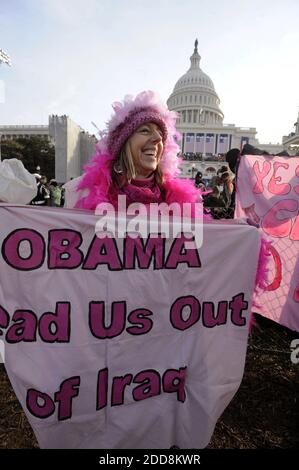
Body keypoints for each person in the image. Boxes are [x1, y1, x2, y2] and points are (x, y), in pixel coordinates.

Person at [64, 91, 202, 212]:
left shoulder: (185, 202)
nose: (158, 138)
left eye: (161, 134)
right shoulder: (81, 192)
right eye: (145, 130)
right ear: (122, 144)